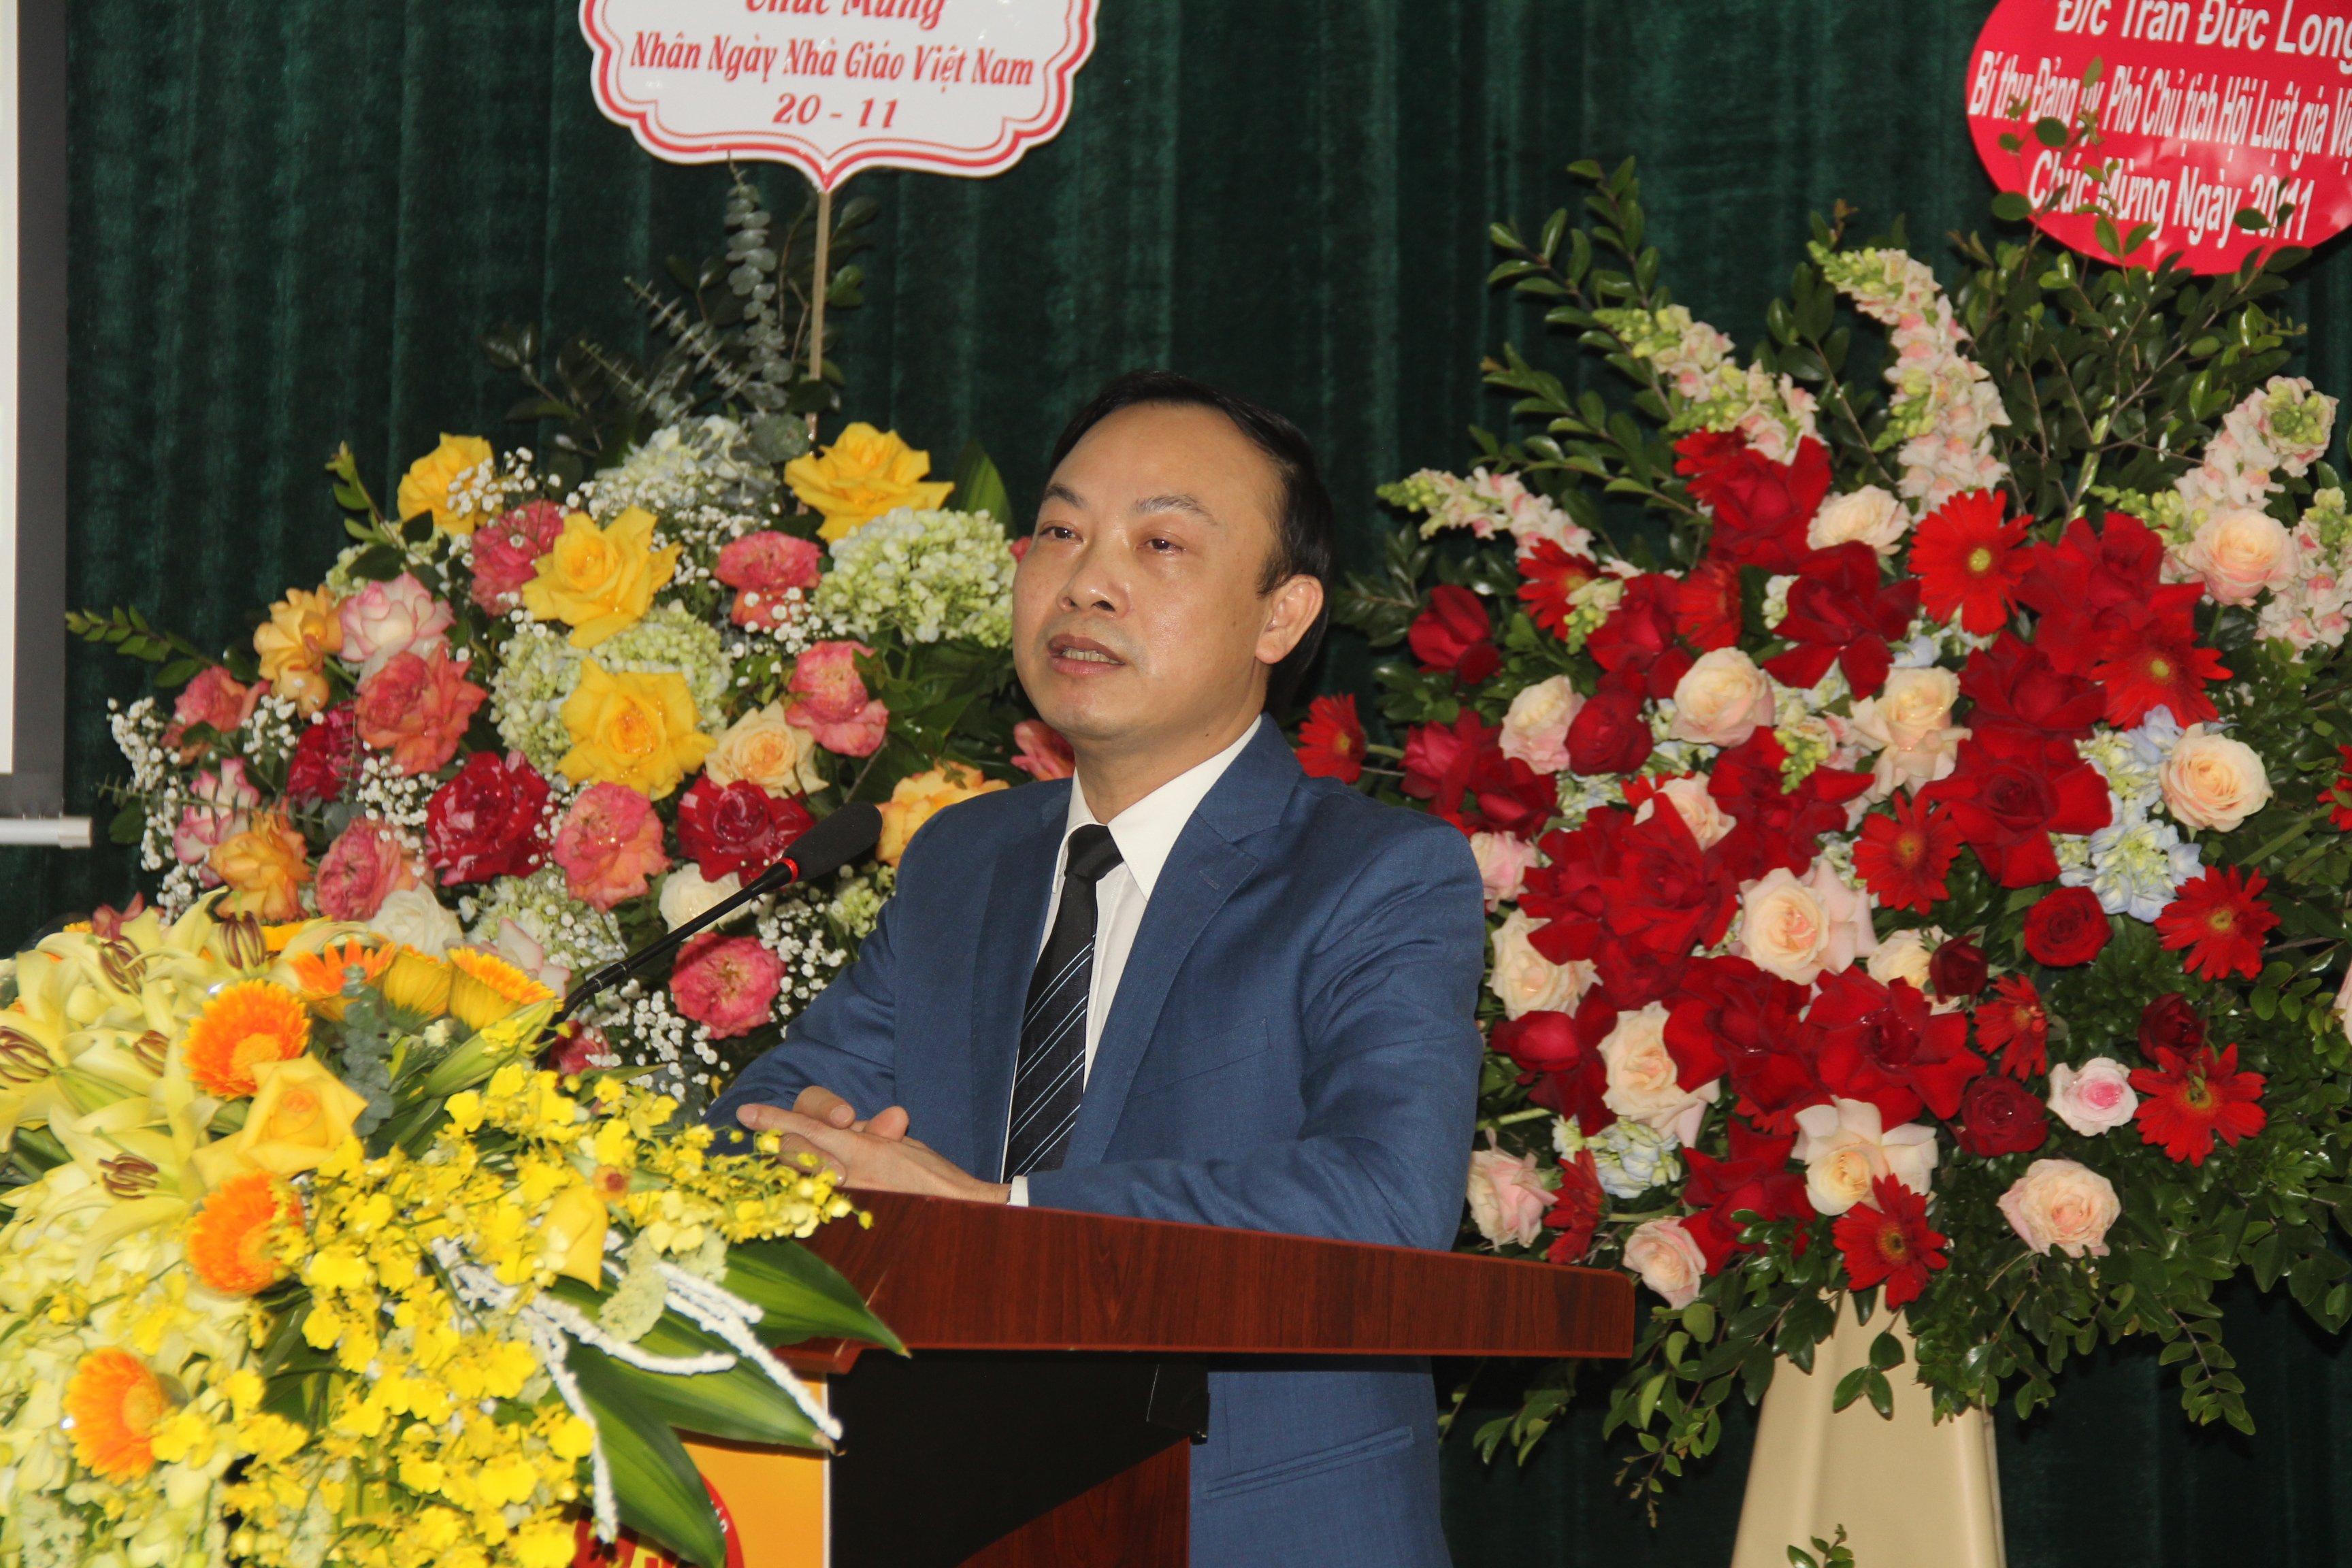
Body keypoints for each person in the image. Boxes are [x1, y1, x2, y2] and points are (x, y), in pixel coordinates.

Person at [710, 370, 1485, 1567]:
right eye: (1062, 532)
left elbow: (1387, 1200)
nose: (1086, 581)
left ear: (1281, 618)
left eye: (1159, 543)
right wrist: (813, 1149)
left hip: (1252, 1529)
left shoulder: (1375, 876)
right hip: (951, 1516)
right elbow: (759, 1115)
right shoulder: (964, 860)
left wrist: (1004, 1222)